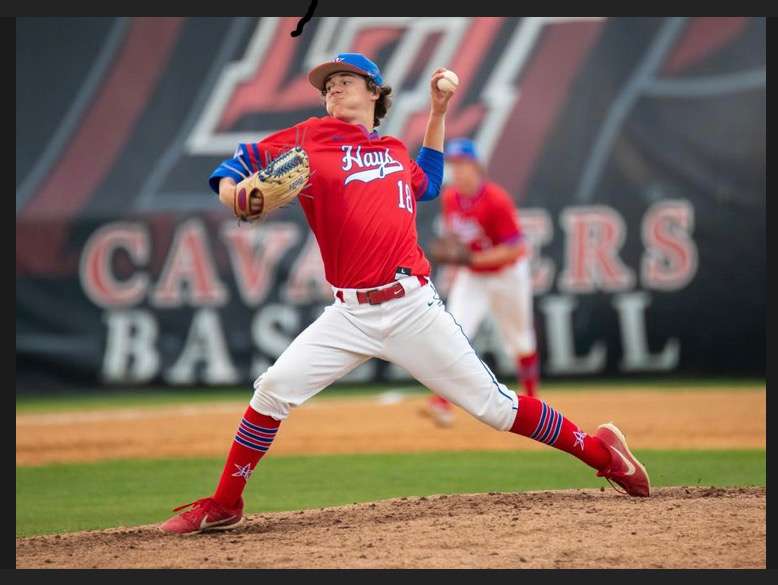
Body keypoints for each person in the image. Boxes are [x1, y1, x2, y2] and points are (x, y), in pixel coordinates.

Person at [160, 53, 650, 535]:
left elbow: (430, 182)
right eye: (327, 85)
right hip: (349, 314)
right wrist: (233, 193)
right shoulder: (311, 137)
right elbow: (236, 164)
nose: (333, 88)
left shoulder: (395, 150)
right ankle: (225, 504)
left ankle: (604, 453)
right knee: (272, 390)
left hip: (412, 307)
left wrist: (437, 113)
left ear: (375, 92)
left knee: (496, 408)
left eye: (345, 79)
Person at [423, 138, 539, 428]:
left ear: (477, 167)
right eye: (454, 165)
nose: (458, 171)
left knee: (520, 339)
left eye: (463, 164)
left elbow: (515, 249)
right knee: (454, 332)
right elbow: (457, 238)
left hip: (507, 275)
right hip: (474, 277)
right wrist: (454, 251)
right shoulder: (451, 198)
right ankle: (441, 403)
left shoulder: (496, 200)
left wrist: (472, 260)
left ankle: (533, 401)